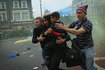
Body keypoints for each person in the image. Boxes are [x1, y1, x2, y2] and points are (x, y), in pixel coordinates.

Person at [55, 5, 97, 70]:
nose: (78, 14)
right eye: (77, 13)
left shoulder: (88, 24)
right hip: (79, 48)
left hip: (88, 48)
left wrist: (62, 27)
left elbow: (77, 32)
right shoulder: (77, 22)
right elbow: (68, 26)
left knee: (89, 67)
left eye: (80, 13)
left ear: (85, 13)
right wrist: (56, 27)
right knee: (83, 65)